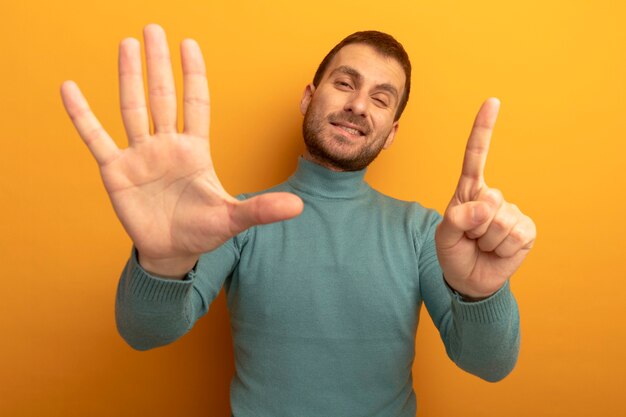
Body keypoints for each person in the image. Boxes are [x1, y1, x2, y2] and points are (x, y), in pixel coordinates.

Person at [60, 24, 536, 417]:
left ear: (391, 134)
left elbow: (488, 364)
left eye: (381, 98)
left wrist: (482, 293)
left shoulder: (423, 233)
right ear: (309, 97)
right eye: (345, 83)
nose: (357, 105)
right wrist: (161, 262)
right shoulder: (233, 219)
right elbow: (144, 332)